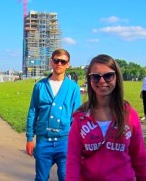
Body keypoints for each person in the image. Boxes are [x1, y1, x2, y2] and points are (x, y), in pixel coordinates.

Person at [66, 54, 146, 180]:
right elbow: (73, 161)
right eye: (96, 77)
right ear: (89, 80)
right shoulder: (80, 117)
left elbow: (140, 157)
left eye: (108, 76)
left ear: (117, 78)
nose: (102, 81)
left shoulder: (129, 114)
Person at [26, 48, 81, 181]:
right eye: (56, 60)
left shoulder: (73, 88)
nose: (59, 64)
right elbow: (33, 111)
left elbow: (77, 117)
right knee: (41, 177)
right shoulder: (40, 86)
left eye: (63, 61)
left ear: (68, 64)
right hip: (43, 141)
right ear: (51, 62)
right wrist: (29, 138)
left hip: (65, 141)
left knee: (66, 177)